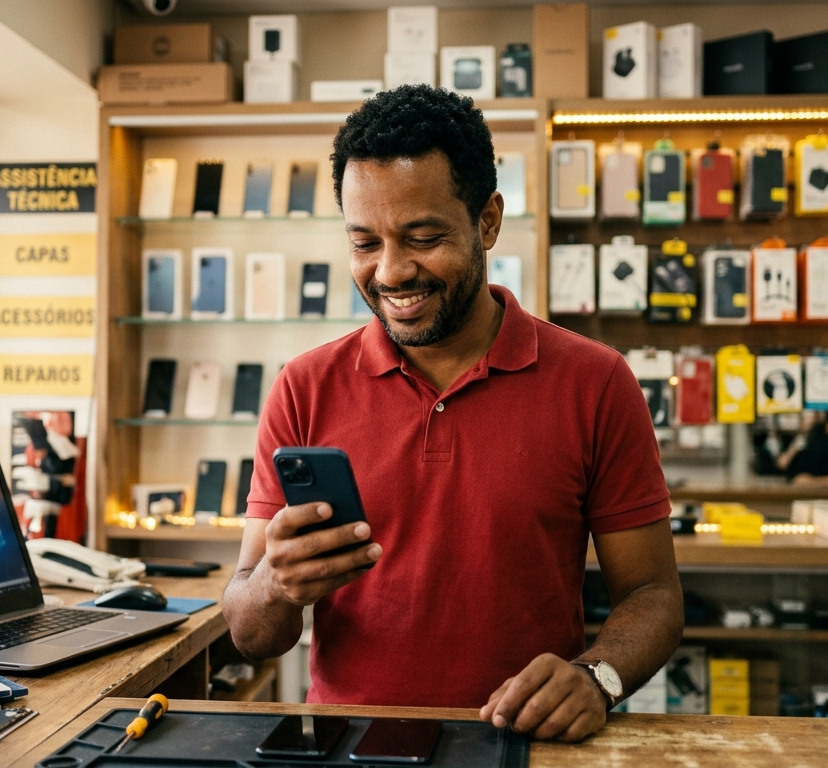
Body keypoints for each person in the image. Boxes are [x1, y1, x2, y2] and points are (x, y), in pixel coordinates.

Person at [222, 85, 683, 743]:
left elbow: (654, 596)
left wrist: (597, 678)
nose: (391, 271)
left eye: (423, 237)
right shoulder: (304, 387)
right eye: (364, 242)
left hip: (523, 745)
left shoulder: (595, 382)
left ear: (487, 221)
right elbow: (249, 632)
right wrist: (275, 586)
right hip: (349, 747)